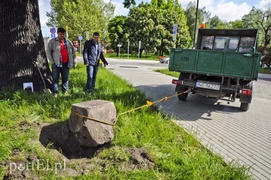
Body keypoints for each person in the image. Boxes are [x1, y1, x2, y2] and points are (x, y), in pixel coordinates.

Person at [46, 27, 76, 96]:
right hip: (57, 64)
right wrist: (52, 61)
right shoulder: (53, 41)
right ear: (57, 34)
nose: (62, 35)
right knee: (55, 79)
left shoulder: (68, 42)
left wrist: (74, 62)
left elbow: (73, 52)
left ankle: (65, 92)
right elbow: (48, 51)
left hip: (66, 64)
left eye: (63, 34)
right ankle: (55, 92)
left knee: (65, 79)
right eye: (60, 34)